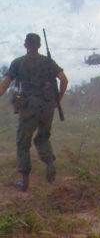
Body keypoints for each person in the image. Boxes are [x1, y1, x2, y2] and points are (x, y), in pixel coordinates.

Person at [0, 33, 68, 192]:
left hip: (29, 106)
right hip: (47, 107)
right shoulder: (48, 62)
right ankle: (50, 163)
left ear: (25, 45)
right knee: (43, 137)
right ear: (39, 46)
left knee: (23, 141)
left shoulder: (18, 63)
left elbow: (5, 85)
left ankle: (24, 182)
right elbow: (64, 80)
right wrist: (58, 99)